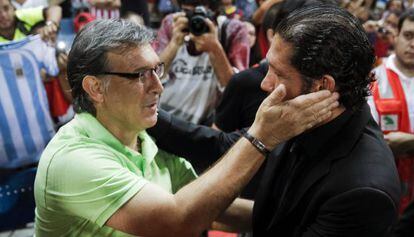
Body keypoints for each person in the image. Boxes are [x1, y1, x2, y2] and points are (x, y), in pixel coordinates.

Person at [34, 19, 339, 236]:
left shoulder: (144, 137)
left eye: (157, 70)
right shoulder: (73, 160)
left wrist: (302, 218)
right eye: (141, 75)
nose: (158, 87)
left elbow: (211, 208)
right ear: (95, 88)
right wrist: (261, 136)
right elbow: (178, 221)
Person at [148, 5, 401, 236]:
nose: (264, 83)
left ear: (322, 85)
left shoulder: (363, 191)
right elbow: (222, 146)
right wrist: (147, 116)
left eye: (278, 73)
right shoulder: (305, 116)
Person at [153, 0, 250, 124]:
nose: (196, 19)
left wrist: (215, 49)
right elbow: (151, 75)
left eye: (201, 13)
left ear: (214, 11)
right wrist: (174, 44)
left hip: (205, 127)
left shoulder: (233, 29)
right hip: (163, 118)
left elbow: (237, 92)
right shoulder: (171, 23)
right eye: (188, 12)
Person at [368, 8, 414, 213]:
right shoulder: (374, 80)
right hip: (383, 184)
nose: (413, 44)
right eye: (409, 35)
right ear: (396, 35)